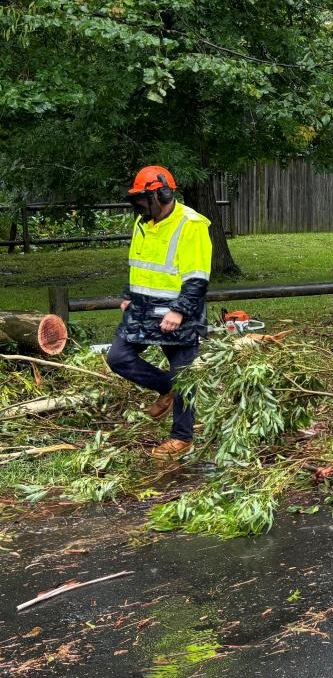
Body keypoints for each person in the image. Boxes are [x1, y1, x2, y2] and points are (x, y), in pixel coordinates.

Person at [106, 166, 213, 460]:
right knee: (118, 357)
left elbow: (197, 277)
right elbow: (138, 263)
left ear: (162, 194)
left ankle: (182, 437)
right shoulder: (144, 224)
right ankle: (167, 389)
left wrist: (179, 311)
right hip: (141, 308)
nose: (139, 205)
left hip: (178, 313)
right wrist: (129, 295)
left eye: (143, 199)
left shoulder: (190, 224)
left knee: (185, 375)